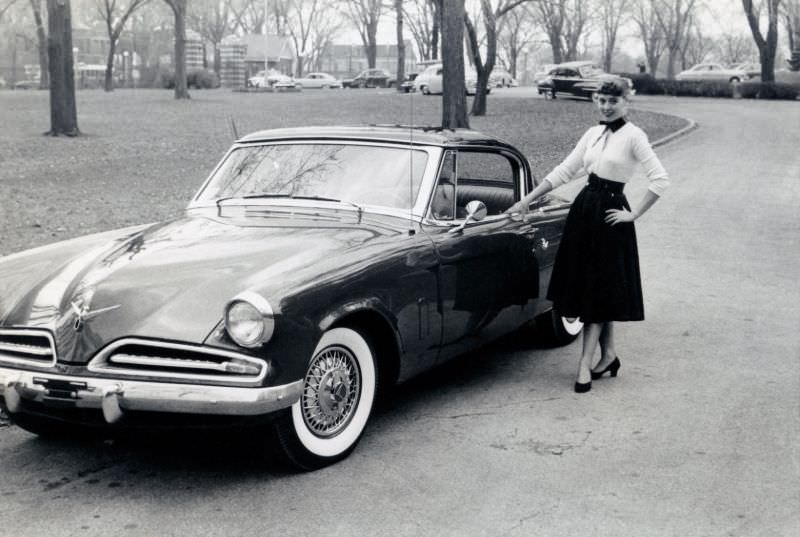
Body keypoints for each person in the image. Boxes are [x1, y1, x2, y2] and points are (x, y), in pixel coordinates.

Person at [505, 76, 669, 393]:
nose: (606, 107)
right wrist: (526, 200)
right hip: (584, 212)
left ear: (626, 102)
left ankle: (583, 365)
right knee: (592, 288)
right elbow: (564, 171)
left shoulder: (635, 136)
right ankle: (608, 355)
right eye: (602, 101)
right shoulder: (593, 133)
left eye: (613, 101)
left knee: (596, 290)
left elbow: (660, 180)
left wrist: (633, 213)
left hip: (610, 218)